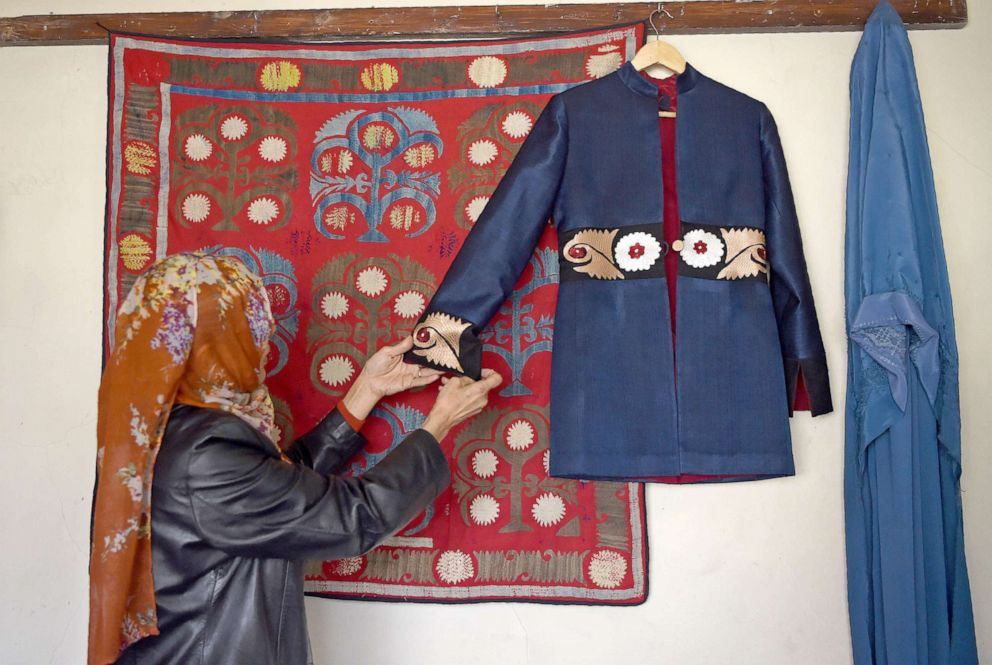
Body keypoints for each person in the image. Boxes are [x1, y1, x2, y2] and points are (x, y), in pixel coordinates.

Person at [88, 253, 501, 665]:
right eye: (250, 326)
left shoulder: (166, 433)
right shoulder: (203, 456)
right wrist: (442, 420)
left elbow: (275, 489)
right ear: (219, 340)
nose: (263, 340)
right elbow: (356, 516)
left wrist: (366, 390)